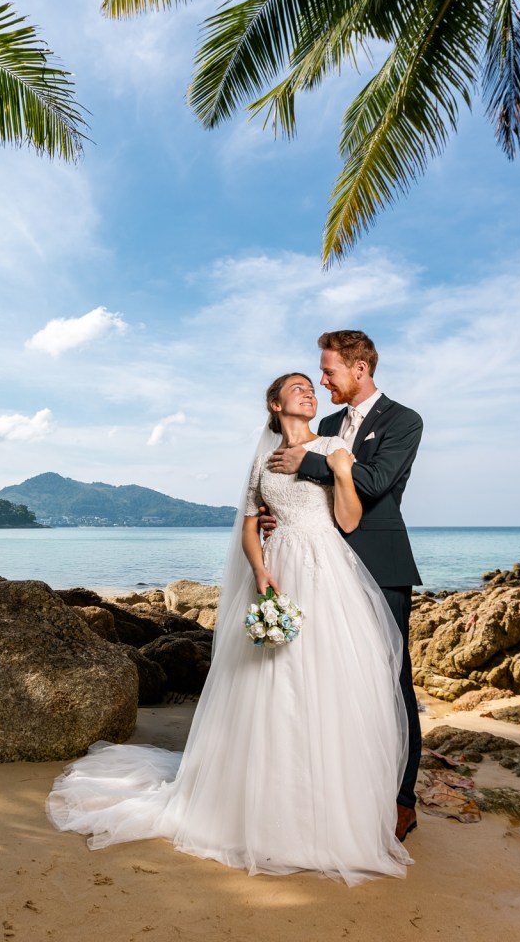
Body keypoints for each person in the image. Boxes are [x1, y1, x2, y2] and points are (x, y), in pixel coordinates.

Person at [46, 373, 412, 886]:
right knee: (270, 682)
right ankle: (259, 808)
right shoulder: (262, 458)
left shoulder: (334, 446)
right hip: (279, 569)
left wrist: (341, 470)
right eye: (299, 387)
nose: (310, 392)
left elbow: (349, 521)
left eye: (314, 386)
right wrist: (261, 570)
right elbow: (249, 522)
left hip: (328, 573)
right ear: (275, 402)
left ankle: (329, 817)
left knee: (329, 683)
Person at [267, 330, 424, 842]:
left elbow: (376, 482)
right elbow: (303, 496)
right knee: (330, 680)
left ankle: (401, 800)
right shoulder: (328, 425)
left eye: (329, 370)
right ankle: (338, 788)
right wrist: (278, 517)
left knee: (391, 682)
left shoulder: (404, 420)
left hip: (381, 566)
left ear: (360, 369)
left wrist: (308, 463)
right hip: (321, 569)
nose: (323, 380)